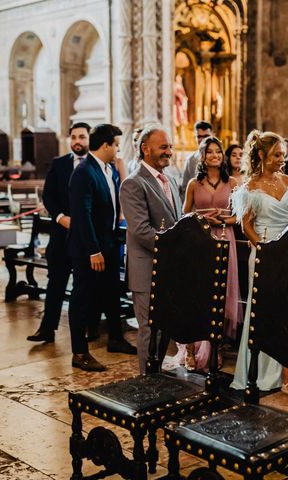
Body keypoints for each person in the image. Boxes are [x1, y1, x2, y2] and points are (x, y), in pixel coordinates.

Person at [230, 130, 288, 398]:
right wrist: (266, 250)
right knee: (271, 313)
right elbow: (246, 226)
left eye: (283, 154)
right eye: (276, 154)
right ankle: (275, 376)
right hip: (265, 255)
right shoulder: (250, 188)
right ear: (261, 155)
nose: (282, 159)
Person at [68, 123, 137, 372]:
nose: (118, 150)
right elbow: (82, 215)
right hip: (89, 248)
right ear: (106, 145)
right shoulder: (84, 172)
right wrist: (93, 251)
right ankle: (79, 352)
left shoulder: (108, 169)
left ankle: (116, 339)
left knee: (111, 294)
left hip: (107, 243)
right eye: (116, 145)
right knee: (82, 298)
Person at [119, 125, 182, 373]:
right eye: (163, 147)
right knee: (147, 329)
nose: (169, 151)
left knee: (164, 327)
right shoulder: (133, 184)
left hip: (168, 269)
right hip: (146, 268)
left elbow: (176, 221)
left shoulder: (171, 180)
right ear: (145, 149)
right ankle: (147, 380)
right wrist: (178, 246)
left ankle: (158, 378)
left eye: (170, 147)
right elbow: (142, 230)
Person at [27, 122, 91, 343]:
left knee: (84, 285)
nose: (77, 141)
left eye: (82, 137)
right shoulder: (59, 164)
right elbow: (49, 196)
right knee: (56, 282)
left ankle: (87, 328)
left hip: (86, 237)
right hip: (61, 234)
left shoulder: (95, 165)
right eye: (73, 137)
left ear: (89, 139)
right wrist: (60, 217)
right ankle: (47, 328)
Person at [182, 136, 242, 372]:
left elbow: (239, 216)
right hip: (201, 240)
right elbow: (184, 214)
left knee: (221, 295)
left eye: (218, 151)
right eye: (210, 152)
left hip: (225, 238)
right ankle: (190, 349)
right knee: (198, 294)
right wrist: (201, 218)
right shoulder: (194, 184)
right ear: (203, 156)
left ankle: (215, 349)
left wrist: (225, 218)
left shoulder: (233, 183)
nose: (215, 155)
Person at [180, 120, 213, 195]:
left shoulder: (221, 157)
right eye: (199, 136)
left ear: (212, 135)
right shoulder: (190, 160)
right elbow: (185, 187)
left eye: (206, 136)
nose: (202, 140)